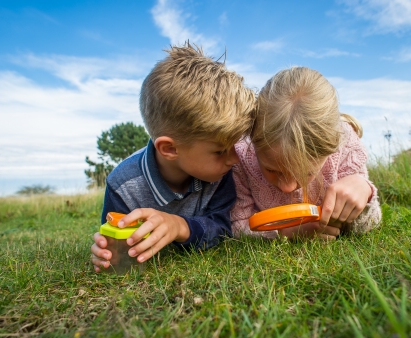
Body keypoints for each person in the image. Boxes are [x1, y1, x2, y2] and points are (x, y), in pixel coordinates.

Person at [91, 43, 256, 272]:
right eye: (220, 151)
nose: (234, 160)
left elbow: (222, 229)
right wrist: (106, 250)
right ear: (169, 149)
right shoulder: (123, 186)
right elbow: (114, 237)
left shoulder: (220, 174)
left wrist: (179, 227)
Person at [230, 66, 381, 241]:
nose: (287, 186)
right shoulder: (241, 155)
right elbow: (236, 225)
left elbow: (368, 224)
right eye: (272, 170)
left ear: (331, 149)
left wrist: (363, 190)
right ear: (253, 141)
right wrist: (286, 233)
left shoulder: (346, 147)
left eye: (306, 173)